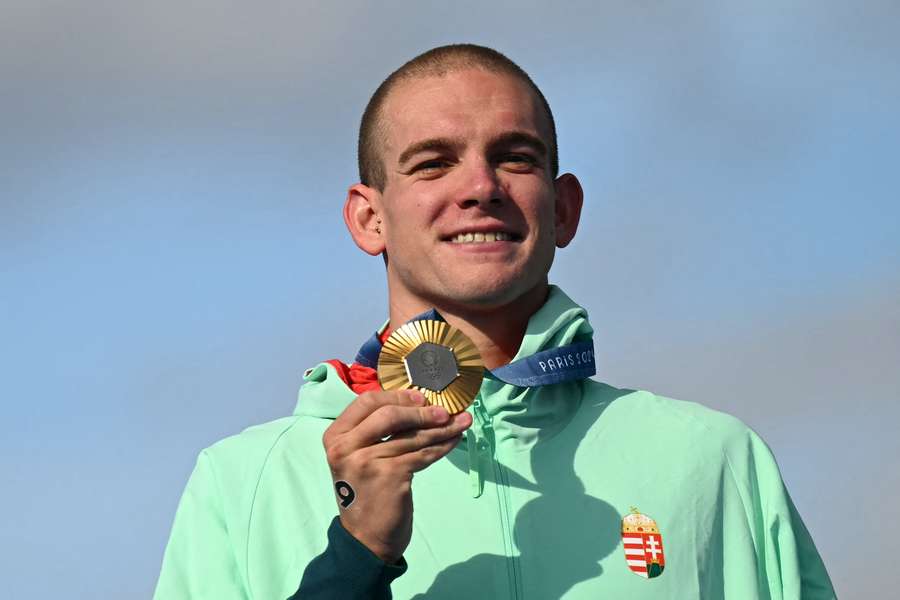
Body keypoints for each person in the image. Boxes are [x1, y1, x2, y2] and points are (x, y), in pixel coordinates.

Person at [154, 44, 835, 599]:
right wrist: (355, 557)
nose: (480, 187)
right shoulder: (243, 483)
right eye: (433, 163)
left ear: (563, 208)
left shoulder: (714, 461)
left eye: (515, 157)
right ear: (370, 217)